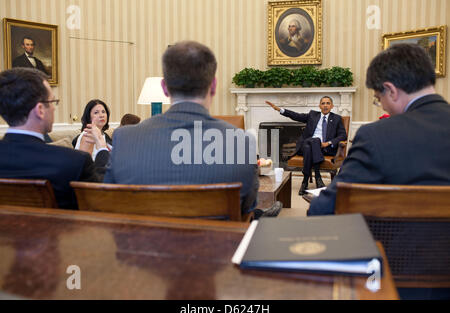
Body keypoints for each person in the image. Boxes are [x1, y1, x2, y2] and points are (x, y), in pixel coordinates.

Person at [104, 41, 281, 217]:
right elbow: (247, 208)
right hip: (219, 244)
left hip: (141, 244)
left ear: (164, 87)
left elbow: (108, 202)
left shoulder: (124, 138)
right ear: (213, 86)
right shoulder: (242, 143)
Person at [308, 43, 450, 216]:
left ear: (391, 90)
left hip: (393, 242)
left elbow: (323, 208)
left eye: (378, 98)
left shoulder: (375, 137)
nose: (382, 107)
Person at [0, 67, 109, 209]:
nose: (54, 108)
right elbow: (100, 199)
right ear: (40, 110)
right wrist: (102, 149)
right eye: (52, 102)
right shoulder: (73, 162)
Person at [266, 97, 347, 195]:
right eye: (323, 103)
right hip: (307, 145)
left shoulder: (337, 118)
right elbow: (296, 116)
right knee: (314, 141)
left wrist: (328, 143)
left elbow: (343, 135)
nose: (325, 105)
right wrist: (280, 110)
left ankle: (305, 181)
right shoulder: (313, 115)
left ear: (332, 106)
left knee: (311, 146)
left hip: (324, 148)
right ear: (319, 106)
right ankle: (318, 177)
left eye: (328, 103)